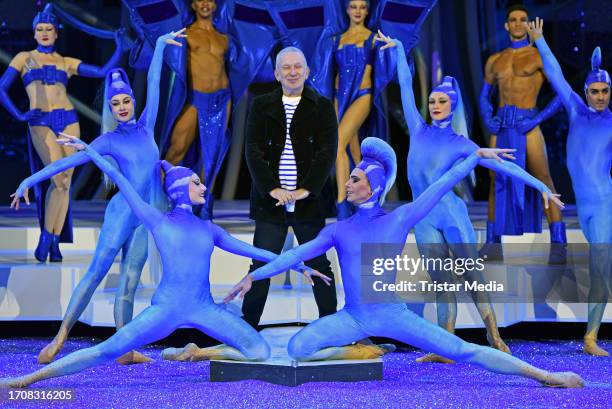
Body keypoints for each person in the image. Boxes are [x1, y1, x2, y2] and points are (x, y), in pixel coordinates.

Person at [225, 137, 582, 388]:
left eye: (354, 178)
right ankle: (361, 349)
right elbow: (292, 255)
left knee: (462, 350)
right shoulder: (341, 229)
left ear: (374, 188)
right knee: (298, 348)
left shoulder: (399, 219)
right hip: (354, 317)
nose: (347, 183)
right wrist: (254, 277)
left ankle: (544, 376)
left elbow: (445, 182)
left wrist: (476, 157)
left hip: (393, 315)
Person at [1, 134, 327, 388]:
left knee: (259, 351)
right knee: (107, 350)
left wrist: (296, 264)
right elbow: (119, 178)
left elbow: (254, 252)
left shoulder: (209, 229)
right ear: (179, 190)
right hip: (165, 309)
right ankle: (26, 380)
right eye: (196, 182)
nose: (203, 186)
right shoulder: (158, 221)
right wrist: (90, 150)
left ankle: (197, 351)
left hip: (204, 309)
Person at [10, 30, 184, 365]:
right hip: (122, 213)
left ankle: (125, 348)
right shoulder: (107, 141)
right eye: (114, 104)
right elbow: (66, 161)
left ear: (133, 100)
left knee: (130, 280)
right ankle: (60, 337)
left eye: (125, 101)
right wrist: (29, 180)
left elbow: (155, 79)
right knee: (96, 273)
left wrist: (160, 45)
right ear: (110, 107)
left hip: (146, 213)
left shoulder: (147, 126)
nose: (121, 107)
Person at [389, 34, 560, 362]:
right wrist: (398, 48)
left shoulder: (463, 144)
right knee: (440, 282)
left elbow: (504, 167)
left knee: (472, 277)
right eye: (433, 101)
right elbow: (405, 80)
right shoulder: (417, 127)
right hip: (423, 217)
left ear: (452, 106)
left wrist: (541, 186)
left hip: (451, 214)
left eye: (442, 102)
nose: (436, 106)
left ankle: (494, 336)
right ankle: (447, 346)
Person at [0, 4, 123, 262]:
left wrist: (120, 47)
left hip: (68, 121)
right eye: (40, 29)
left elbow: (101, 72)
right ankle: (47, 238)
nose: (44, 32)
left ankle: (53, 241)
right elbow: (2, 88)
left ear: (56, 33)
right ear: (34, 33)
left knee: (64, 184)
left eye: (49, 29)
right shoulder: (24, 58)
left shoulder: (64, 62)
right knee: (58, 179)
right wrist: (20, 115)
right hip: (41, 122)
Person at [528, 18, 612, 356]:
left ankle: (590, 337)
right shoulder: (577, 111)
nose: (601, 97)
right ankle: (590, 336)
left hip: (605, 204)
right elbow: (555, 76)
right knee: (600, 271)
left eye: (606, 91)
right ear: (588, 91)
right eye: (595, 91)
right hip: (585, 208)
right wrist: (540, 41)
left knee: (600, 270)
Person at [241, 46, 338, 329]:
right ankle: (247, 328)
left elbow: (326, 152)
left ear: (307, 72)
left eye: (298, 67)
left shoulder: (321, 106)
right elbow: (253, 149)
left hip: (309, 202)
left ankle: (329, 327)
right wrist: (272, 189)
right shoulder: (261, 105)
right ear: (277, 73)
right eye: (287, 67)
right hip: (270, 202)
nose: (293, 72)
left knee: (319, 265)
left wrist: (304, 190)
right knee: (261, 265)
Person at [479, 4, 564, 262]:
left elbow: (562, 92)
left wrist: (537, 118)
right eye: (513, 20)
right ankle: (494, 244)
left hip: (528, 124)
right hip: (502, 124)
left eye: (522, 20)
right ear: (506, 25)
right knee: (496, 182)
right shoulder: (495, 60)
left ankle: (559, 243)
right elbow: (484, 96)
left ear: (529, 24)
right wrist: (488, 118)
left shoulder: (538, 57)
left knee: (543, 179)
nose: (518, 24)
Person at [162, 0, 232, 219]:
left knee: (212, 156)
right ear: (193, 5)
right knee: (176, 149)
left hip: (222, 99)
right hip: (195, 98)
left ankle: (204, 205)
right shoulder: (187, 34)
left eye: (209, 0)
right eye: (200, 0)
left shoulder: (224, 37)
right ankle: (159, 196)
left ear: (214, 5)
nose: (205, 4)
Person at [333, 0, 396, 219]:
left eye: (362, 7)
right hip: (339, 98)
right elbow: (334, 75)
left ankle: (341, 203)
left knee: (338, 144)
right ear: (347, 10)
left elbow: (387, 64)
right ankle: (365, 202)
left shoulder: (372, 38)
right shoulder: (337, 39)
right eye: (354, 6)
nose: (358, 11)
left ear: (367, 11)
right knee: (354, 153)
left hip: (363, 95)